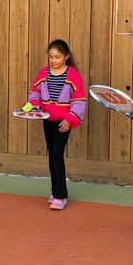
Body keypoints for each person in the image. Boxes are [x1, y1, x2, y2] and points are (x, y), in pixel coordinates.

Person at [26, 38, 86, 209]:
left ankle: (61, 196)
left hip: (64, 123)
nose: (53, 60)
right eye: (51, 57)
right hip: (47, 121)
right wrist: (34, 104)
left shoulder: (73, 75)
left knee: (57, 155)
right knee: (52, 156)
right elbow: (35, 92)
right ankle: (55, 191)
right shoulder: (44, 73)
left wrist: (70, 119)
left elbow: (79, 101)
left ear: (66, 56)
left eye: (57, 57)